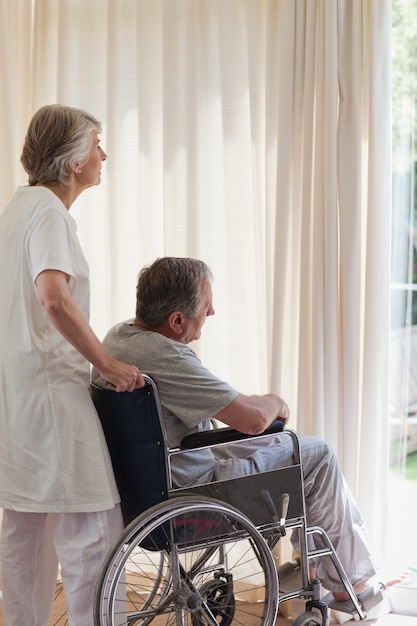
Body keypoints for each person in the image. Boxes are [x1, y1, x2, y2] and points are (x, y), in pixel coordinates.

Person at [91, 256, 388, 610]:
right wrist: (275, 401)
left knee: (285, 449)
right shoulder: (166, 356)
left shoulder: (118, 338)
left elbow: (235, 409)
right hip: (194, 489)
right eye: (206, 305)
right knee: (315, 453)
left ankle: (320, 565)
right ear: (176, 320)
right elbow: (250, 421)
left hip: (147, 490)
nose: (212, 311)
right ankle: (348, 583)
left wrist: (257, 409)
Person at [0, 104, 144, 626]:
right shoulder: (48, 214)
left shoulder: (18, 209)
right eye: (95, 143)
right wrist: (107, 363)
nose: (103, 153)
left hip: (18, 400)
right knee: (93, 531)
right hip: (52, 394)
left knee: (25, 533)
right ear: (70, 161)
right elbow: (54, 298)